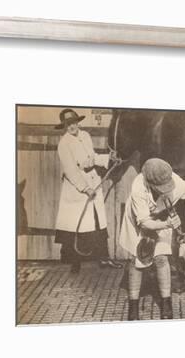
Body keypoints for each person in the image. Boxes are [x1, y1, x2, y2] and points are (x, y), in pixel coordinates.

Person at [119, 158, 185, 320]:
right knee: (138, 260)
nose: (164, 190)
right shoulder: (138, 186)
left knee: (162, 258)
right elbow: (145, 224)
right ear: (148, 182)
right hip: (140, 222)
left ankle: (166, 303)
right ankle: (133, 306)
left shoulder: (177, 183)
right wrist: (168, 224)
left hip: (163, 218)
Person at [54, 108, 123, 273]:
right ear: (64, 126)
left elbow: (92, 157)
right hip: (77, 189)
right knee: (76, 225)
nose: (72, 126)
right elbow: (71, 169)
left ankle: (103, 258)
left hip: (93, 180)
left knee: (98, 222)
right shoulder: (64, 144)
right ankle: (74, 262)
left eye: (73, 122)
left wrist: (108, 159)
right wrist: (85, 188)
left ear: (78, 122)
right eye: (68, 124)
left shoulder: (85, 136)